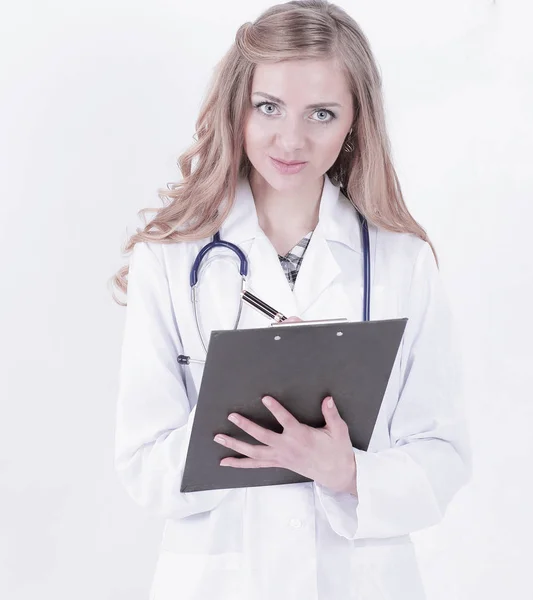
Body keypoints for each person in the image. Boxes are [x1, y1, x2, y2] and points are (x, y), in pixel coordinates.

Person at [110, 1, 471, 599]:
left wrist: (349, 473)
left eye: (322, 113)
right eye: (269, 107)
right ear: (238, 109)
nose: (291, 139)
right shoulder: (172, 260)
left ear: (356, 121)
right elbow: (143, 465)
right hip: (221, 578)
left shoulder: (401, 261)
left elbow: (444, 452)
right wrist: (245, 406)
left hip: (358, 580)